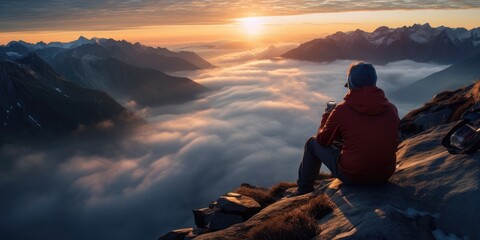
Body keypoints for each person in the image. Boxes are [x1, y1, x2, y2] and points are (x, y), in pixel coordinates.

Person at [296, 61, 400, 194]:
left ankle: (304, 190)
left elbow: (322, 140)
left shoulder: (342, 110)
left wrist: (327, 115)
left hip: (353, 176)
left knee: (312, 143)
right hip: (384, 174)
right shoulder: (391, 109)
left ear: (351, 83)